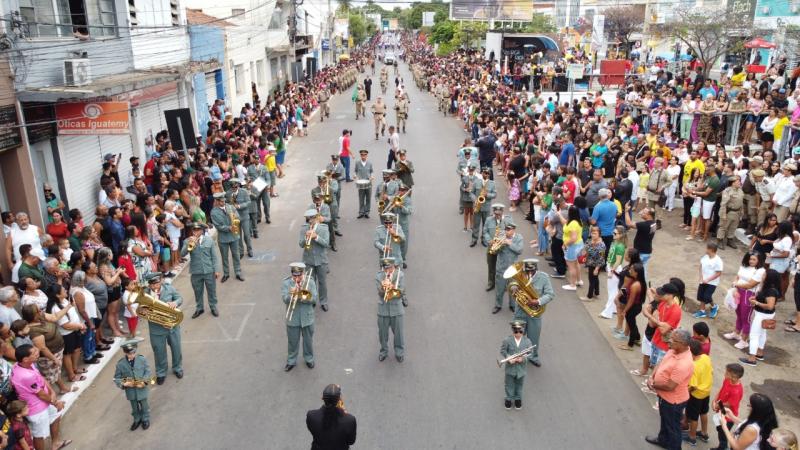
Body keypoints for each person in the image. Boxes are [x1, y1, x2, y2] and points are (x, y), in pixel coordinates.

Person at [10, 345, 69, 450]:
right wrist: (55, 402)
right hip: (37, 409)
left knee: (56, 416)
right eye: (34, 352)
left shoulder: (22, 365)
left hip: (45, 401)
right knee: (39, 435)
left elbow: (41, 378)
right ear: (25, 359)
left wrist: (52, 392)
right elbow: (40, 394)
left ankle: (55, 443)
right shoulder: (26, 376)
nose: (37, 352)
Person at [644, 329, 695, 450]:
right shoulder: (673, 350)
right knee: (665, 420)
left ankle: (674, 447)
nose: (669, 341)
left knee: (673, 427)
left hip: (673, 402)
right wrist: (652, 377)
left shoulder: (684, 363)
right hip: (664, 397)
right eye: (670, 337)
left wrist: (653, 385)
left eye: (673, 339)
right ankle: (663, 440)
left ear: (683, 344)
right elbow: (662, 363)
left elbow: (670, 386)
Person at [511, 258, 555, 367]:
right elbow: (512, 283)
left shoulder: (543, 278)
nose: (529, 273)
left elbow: (550, 294)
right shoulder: (520, 274)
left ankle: (533, 356)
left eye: (532, 271)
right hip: (520, 312)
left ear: (536, 269)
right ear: (524, 269)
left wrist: (538, 301)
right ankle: (516, 356)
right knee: (517, 336)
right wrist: (513, 287)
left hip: (535, 314)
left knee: (533, 337)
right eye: (527, 271)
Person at [143, 273, 183, 385]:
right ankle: (161, 373)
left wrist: (175, 303)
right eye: (152, 284)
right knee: (159, 352)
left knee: (176, 349)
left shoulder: (169, 288)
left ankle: (177, 368)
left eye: (157, 283)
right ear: (149, 285)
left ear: (160, 281)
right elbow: (140, 308)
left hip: (172, 326)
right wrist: (146, 308)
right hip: (156, 329)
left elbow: (180, 298)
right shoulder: (145, 294)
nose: (155, 286)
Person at [725, 251, 766, 350]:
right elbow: (738, 276)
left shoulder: (760, 271)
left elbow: (750, 285)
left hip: (749, 294)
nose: (751, 261)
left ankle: (744, 340)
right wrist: (735, 286)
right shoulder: (744, 266)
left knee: (745, 318)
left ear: (759, 260)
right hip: (738, 291)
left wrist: (736, 285)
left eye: (754, 259)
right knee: (738, 313)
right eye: (750, 259)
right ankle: (736, 333)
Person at [282, 263, 317, 372]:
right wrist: (291, 294)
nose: (297, 278)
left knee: (308, 341)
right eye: (294, 276)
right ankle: (291, 360)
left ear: (303, 273)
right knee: (292, 341)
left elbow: (314, 299)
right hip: (293, 318)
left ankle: (309, 358)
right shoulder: (287, 283)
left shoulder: (310, 282)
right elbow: (284, 299)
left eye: (299, 276)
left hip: (307, 317)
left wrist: (303, 293)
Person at [181, 223, 220, 318]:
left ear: (202, 231)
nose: (195, 232)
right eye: (194, 230)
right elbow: (182, 254)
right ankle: (199, 308)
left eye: (198, 230)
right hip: (196, 271)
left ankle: (213, 306)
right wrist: (190, 244)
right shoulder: (187, 241)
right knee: (197, 291)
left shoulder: (209, 240)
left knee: (211, 290)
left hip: (208, 270)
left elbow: (214, 257)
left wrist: (216, 270)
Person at [113, 339, 152, 431]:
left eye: (133, 352)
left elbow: (148, 371)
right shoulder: (120, 364)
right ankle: (137, 419)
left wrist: (144, 382)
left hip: (141, 389)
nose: (132, 355)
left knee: (144, 405)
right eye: (129, 353)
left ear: (135, 351)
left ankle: (145, 418)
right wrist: (124, 383)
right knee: (134, 407)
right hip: (130, 391)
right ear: (125, 352)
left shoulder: (142, 359)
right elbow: (116, 378)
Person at [740, 276, 777, 367]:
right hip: (764, 314)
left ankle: (752, 358)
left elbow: (770, 306)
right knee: (762, 333)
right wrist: (756, 298)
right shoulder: (769, 288)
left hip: (762, 315)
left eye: (765, 275)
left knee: (754, 336)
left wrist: (756, 303)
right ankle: (759, 353)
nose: (763, 276)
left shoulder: (770, 291)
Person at [306, 384, 357, 450]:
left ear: (322, 398)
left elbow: (312, 431)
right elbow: (351, 441)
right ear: (339, 400)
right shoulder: (350, 420)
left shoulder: (311, 415)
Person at [683, 339, 713, 446]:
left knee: (694, 417)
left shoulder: (693, 366)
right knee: (704, 413)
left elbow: (693, 386)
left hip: (696, 395)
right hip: (706, 392)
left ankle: (692, 437)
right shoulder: (706, 357)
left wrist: (684, 392)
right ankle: (704, 433)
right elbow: (711, 371)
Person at [300, 210, 330, 312]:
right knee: (309, 282)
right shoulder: (304, 228)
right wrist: (306, 237)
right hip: (308, 260)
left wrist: (316, 237)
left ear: (316, 218)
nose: (309, 221)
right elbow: (301, 244)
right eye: (308, 219)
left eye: (311, 219)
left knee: (322, 282)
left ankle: (323, 301)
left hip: (321, 260)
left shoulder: (324, 228)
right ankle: (311, 300)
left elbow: (326, 243)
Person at [376, 257, 405, 362]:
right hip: (383, 309)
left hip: (396, 309)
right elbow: (380, 293)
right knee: (382, 334)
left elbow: (401, 292)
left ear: (394, 266)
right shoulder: (379, 276)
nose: (388, 270)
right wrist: (384, 288)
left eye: (390, 268)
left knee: (399, 334)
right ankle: (383, 351)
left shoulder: (400, 275)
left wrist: (391, 286)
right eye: (386, 268)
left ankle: (399, 352)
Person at [500, 320, 534, 410]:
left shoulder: (527, 341)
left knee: (519, 385)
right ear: (512, 330)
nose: (518, 333)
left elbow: (531, 353)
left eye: (520, 331)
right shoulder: (507, 340)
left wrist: (523, 358)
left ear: (523, 331)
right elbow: (503, 351)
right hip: (510, 368)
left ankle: (518, 399)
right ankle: (509, 398)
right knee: (509, 384)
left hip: (521, 369)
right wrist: (508, 357)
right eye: (516, 331)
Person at [210, 192, 243, 283]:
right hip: (223, 238)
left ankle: (238, 272)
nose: (223, 202)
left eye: (224, 200)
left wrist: (235, 220)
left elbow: (238, 217)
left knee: (236, 255)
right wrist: (229, 228)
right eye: (221, 201)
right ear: (216, 201)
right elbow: (218, 226)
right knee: (224, 257)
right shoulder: (213, 212)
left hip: (234, 236)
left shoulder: (230, 207)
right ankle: (226, 273)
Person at [711, 363, 745, 450]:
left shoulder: (736, 391)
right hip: (720, 410)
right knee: (720, 429)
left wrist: (716, 405)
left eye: (727, 373)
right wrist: (714, 400)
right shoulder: (727, 380)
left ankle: (722, 447)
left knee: (723, 433)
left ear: (734, 377)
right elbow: (721, 389)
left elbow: (729, 404)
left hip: (728, 417)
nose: (724, 374)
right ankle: (722, 446)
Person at [493, 222, 523, 314]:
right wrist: (500, 244)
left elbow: (519, 250)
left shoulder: (519, 238)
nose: (506, 231)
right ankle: (498, 305)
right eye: (506, 229)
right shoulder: (501, 236)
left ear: (514, 230)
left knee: (513, 288)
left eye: (509, 230)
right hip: (501, 267)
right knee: (499, 288)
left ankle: (512, 305)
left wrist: (509, 243)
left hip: (513, 268)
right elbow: (494, 251)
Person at [600, 225, 627, 319]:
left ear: (621, 235)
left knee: (613, 291)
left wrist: (611, 271)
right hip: (610, 266)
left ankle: (607, 312)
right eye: (613, 232)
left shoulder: (620, 246)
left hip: (614, 269)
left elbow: (618, 261)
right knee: (611, 290)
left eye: (615, 233)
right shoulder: (615, 242)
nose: (613, 234)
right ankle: (614, 309)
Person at [484, 204, 512, 290]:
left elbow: (511, 232)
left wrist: (504, 240)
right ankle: (491, 282)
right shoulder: (489, 219)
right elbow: (485, 232)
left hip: (503, 248)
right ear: (493, 212)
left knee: (503, 267)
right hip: (492, 246)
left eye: (499, 214)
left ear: (502, 212)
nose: (497, 215)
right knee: (491, 266)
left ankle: (504, 284)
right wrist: (489, 240)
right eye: (496, 214)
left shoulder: (508, 219)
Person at [694, 242, 724, 319]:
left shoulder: (718, 261)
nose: (705, 249)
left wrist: (708, 279)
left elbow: (718, 273)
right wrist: (701, 277)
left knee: (706, 296)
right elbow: (700, 266)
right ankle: (702, 311)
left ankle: (714, 307)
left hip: (712, 283)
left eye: (707, 248)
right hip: (703, 280)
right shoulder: (705, 257)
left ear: (711, 250)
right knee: (701, 296)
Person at [717, 175, 744, 250]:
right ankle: (720, 240)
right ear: (733, 183)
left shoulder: (740, 190)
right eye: (738, 181)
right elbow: (723, 204)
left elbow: (741, 203)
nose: (739, 183)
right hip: (729, 212)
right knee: (723, 227)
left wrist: (742, 213)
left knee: (733, 227)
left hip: (737, 212)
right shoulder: (727, 191)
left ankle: (730, 239)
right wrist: (723, 214)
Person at [471, 167, 496, 248]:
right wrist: (475, 200)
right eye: (485, 173)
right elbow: (471, 193)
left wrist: (487, 195)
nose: (486, 174)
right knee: (476, 224)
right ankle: (474, 239)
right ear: (482, 173)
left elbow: (495, 195)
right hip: (477, 206)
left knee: (486, 225)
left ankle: (484, 240)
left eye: (488, 173)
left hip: (486, 207)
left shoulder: (492, 183)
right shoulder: (476, 182)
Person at [561, 205, 584, 291]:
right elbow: (566, 223)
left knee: (571, 266)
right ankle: (579, 280)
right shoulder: (578, 221)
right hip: (579, 244)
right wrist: (559, 214)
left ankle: (572, 285)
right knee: (576, 263)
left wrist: (565, 244)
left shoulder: (573, 224)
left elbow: (573, 238)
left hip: (572, 246)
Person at [582, 226, 606, 301]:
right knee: (595, 278)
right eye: (592, 233)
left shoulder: (602, 245)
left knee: (592, 279)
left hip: (597, 265)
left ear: (599, 234)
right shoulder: (589, 240)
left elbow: (601, 258)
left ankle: (589, 296)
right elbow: (585, 249)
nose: (593, 235)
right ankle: (596, 292)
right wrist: (585, 254)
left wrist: (597, 269)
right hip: (590, 263)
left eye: (595, 233)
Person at [354, 150, 374, 219]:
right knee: (361, 198)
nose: (363, 156)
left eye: (364, 155)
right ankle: (361, 212)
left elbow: (371, 171)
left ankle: (367, 212)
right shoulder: (357, 163)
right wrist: (355, 176)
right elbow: (355, 171)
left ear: (366, 156)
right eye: (362, 155)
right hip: (361, 183)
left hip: (368, 183)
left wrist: (372, 176)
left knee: (368, 198)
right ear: (360, 156)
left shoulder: (370, 163)